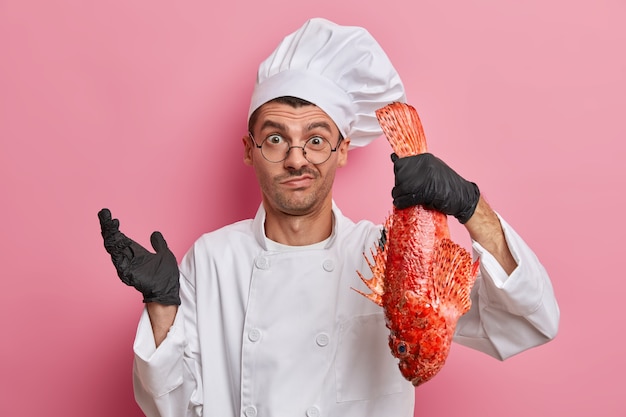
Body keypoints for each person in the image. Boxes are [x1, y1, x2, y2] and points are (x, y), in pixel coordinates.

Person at [98, 17, 559, 417]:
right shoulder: (212, 260)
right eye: (276, 139)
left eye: (316, 140)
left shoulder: (386, 258)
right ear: (249, 151)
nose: (297, 159)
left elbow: (529, 321)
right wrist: (162, 307)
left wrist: (470, 205)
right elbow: (172, 409)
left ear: (342, 151)